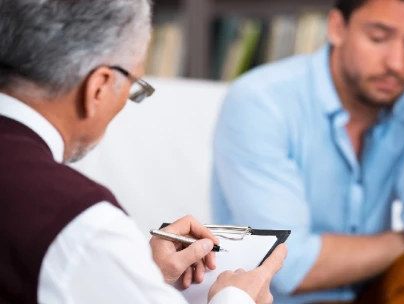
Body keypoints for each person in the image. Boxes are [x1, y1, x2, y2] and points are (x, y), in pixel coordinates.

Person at [0, 0, 286, 303]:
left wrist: (137, 272)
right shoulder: (81, 225)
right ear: (99, 86)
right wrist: (236, 298)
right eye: (133, 88)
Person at [210, 0, 404, 303]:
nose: (397, 63)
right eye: (378, 38)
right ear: (337, 28)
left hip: (368, 292)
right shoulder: (261, 101)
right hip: (275, 299)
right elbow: (288, 265)